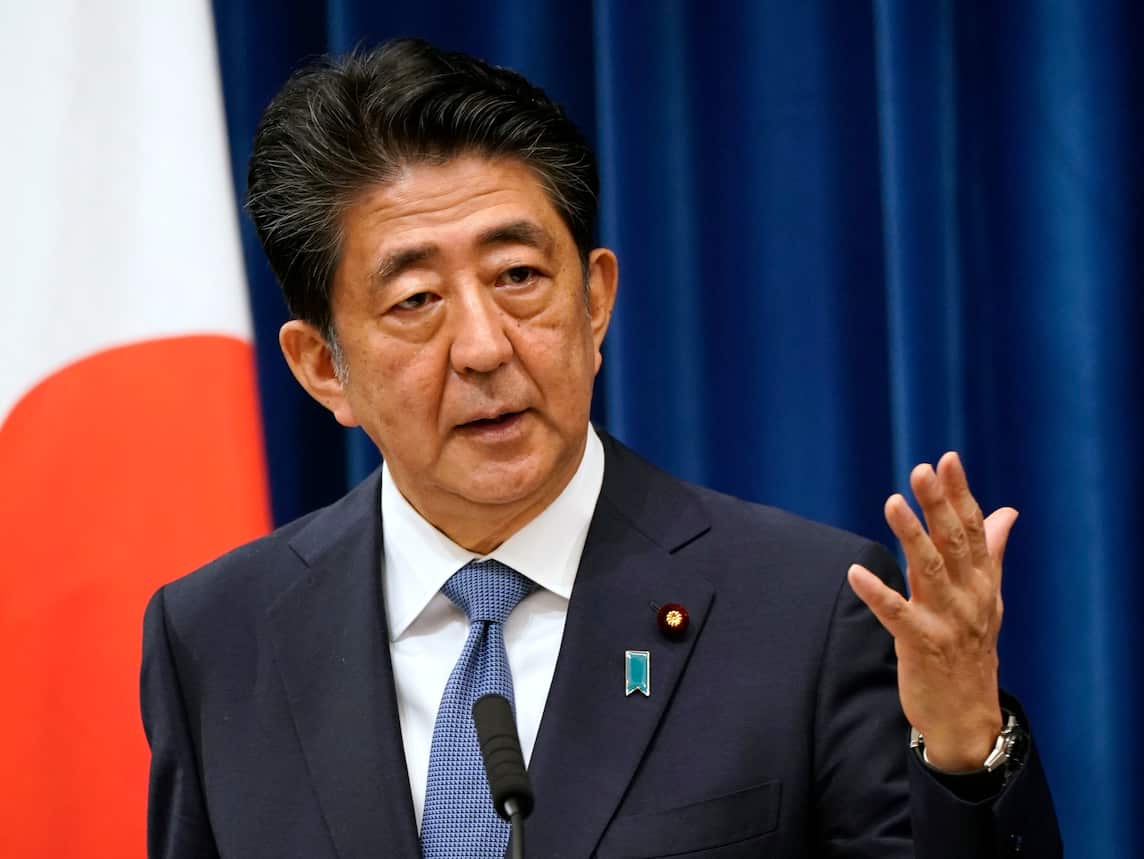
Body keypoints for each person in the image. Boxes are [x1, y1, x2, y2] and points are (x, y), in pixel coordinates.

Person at [141, 38, 1061, 858]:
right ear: (321, 369)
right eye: (416, 300)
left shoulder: (804, 613)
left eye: (518, 277)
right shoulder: (219, 640)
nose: (485, 346)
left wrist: (965, 749)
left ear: (594, 302)